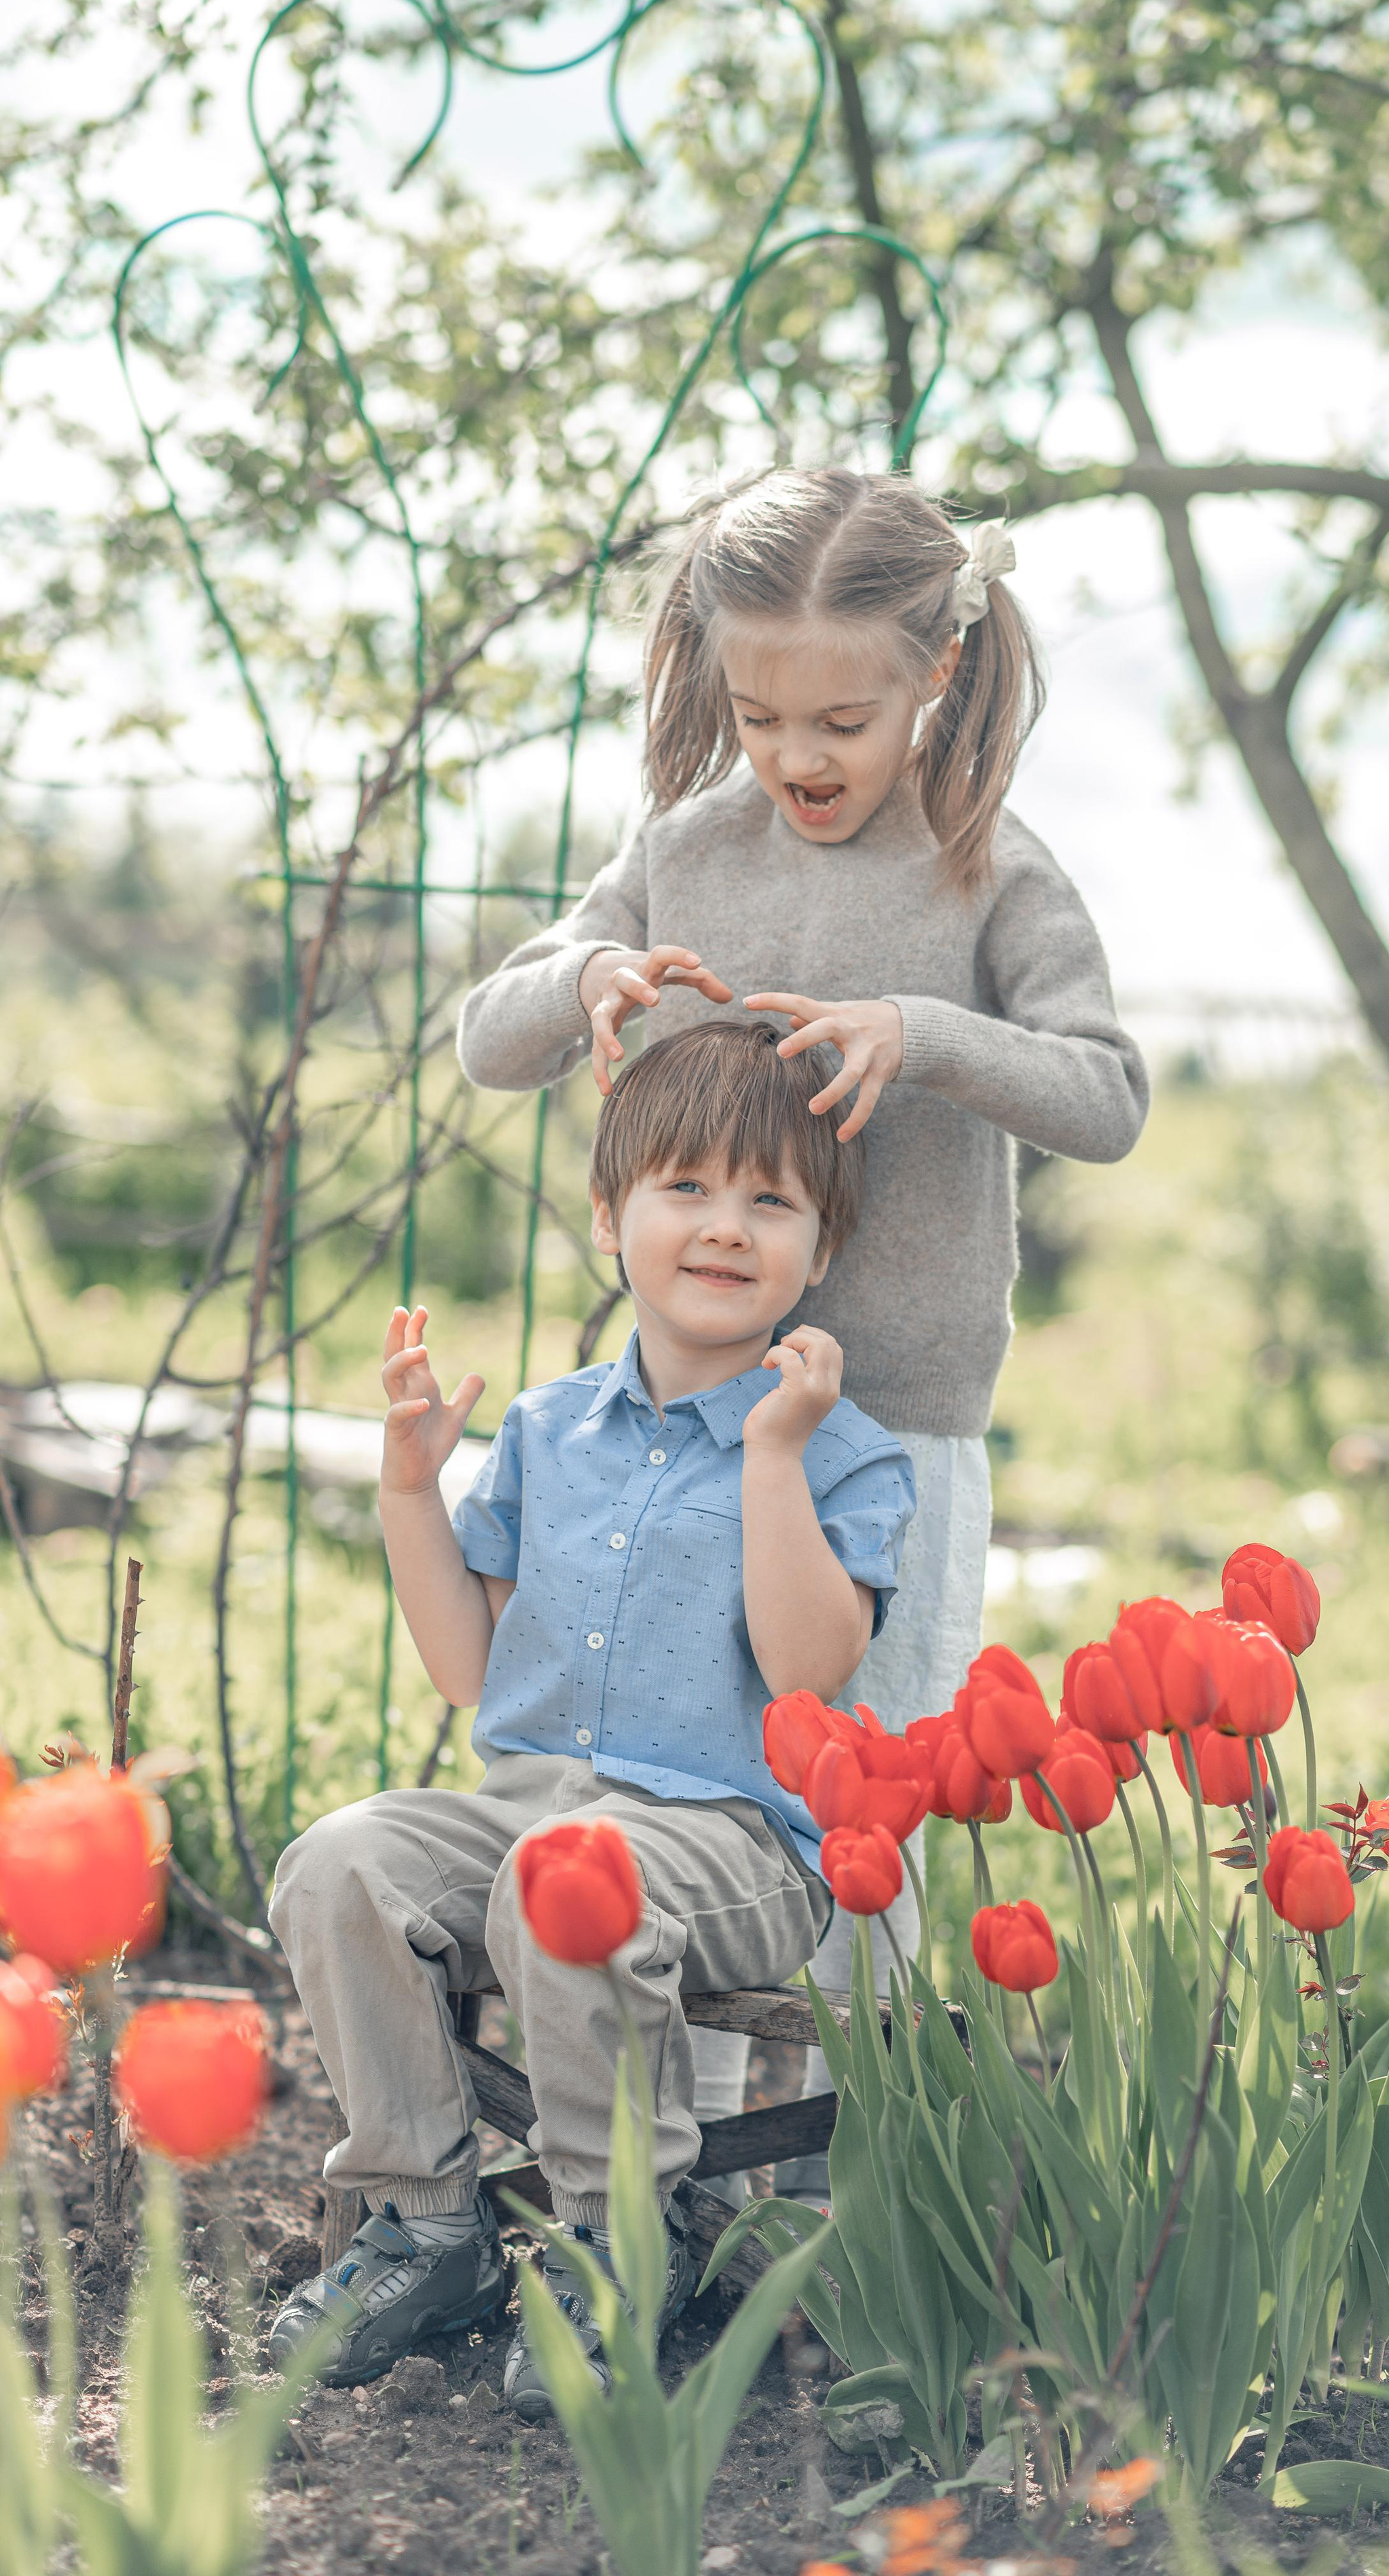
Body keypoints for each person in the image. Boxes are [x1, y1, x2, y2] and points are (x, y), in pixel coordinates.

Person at [457, 469, 1149, 2184]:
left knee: (857, 1827)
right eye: (759, 714)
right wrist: (584, 985)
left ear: (937, 674)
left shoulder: (991, 874)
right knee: (671, 1822)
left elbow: (1107, 1094)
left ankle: (844, 2195)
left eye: (841, 715)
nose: (797, 753)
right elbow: (491, 1033)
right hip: (681, 1434)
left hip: (889, 1432)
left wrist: (925, 1032)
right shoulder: (686, 851)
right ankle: (661, 2181)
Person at [267, 1020, 915, 2416]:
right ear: (610, 1218)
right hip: (525, 1804)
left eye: (770, 1200)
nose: (725, 1226)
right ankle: (430, 2223)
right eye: (685, 1187)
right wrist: (406, 1491)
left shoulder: (843, 1451)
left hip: (727, 1843)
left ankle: (612, 2244)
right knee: (340, 1859)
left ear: (822, 1245)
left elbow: (809, 1672)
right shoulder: (548, 1426)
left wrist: (773, 1458)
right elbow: (465, 1669)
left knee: (573, 1878)